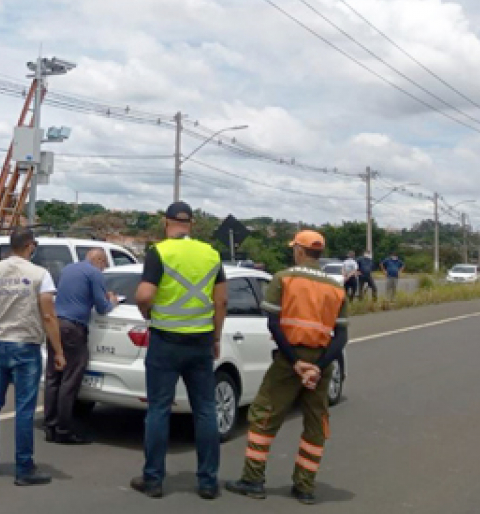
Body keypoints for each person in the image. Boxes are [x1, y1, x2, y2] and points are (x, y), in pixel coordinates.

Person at [226, 230, 349, 505]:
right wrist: (317, 367)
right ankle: (305, 487)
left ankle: (253, 480)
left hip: (288, 360)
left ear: (300, 251)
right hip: (321, 361)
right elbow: (341, 336)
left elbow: (273, 324)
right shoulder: (336, 288)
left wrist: (296, 362)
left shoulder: (284, 278)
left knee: (263, 414)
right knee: (316, 424)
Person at [130, 202, 227, 500]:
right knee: (206, 410)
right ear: (192, 224)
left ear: (165, 222)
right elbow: (221, 301)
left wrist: (147, 313)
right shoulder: (211, 254)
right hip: (200, 342)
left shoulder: (160, 252)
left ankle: (154, 479)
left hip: (166, 341)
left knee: (159, 409)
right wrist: (216, 338)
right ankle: (208, 482)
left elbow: (145, 294)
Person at [0, 228, 65, 486]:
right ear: (30, 246)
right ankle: (24, 467)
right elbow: (48, 315)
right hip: (26, 347)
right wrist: (58, 351)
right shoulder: (40, 275)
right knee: (24, 409)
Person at [43, 248, 120, 444]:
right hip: (73, 328)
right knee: (70, 379)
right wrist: (113, 301)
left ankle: (50, 426)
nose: (104, 269)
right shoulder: (94, 273)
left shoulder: (68, 269)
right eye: (105, 265)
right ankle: (64, 429)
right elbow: (102, 308)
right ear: (100, 260)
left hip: (56, 325)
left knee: (53, 377)